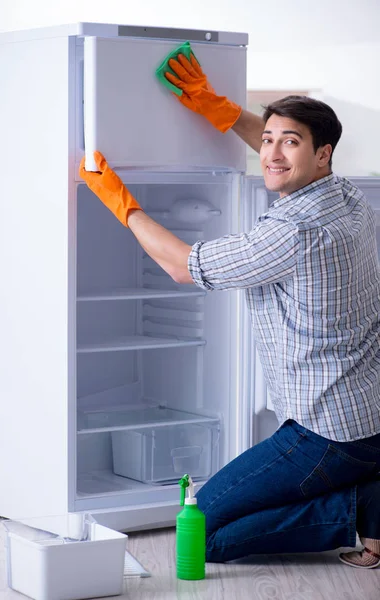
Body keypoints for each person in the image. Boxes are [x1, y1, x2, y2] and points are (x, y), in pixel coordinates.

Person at [80, 53, 380, 569]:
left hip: (327, 434)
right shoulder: (347, 196)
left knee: (200, 534)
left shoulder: (291, 232)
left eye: (290, 142)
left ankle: (359, 510)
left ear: (323, 154)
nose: (272, 153)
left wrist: (120, 203)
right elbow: (282, 154)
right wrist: (215, 107)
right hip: (368, 417)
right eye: (268, 139)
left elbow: (182, 265)